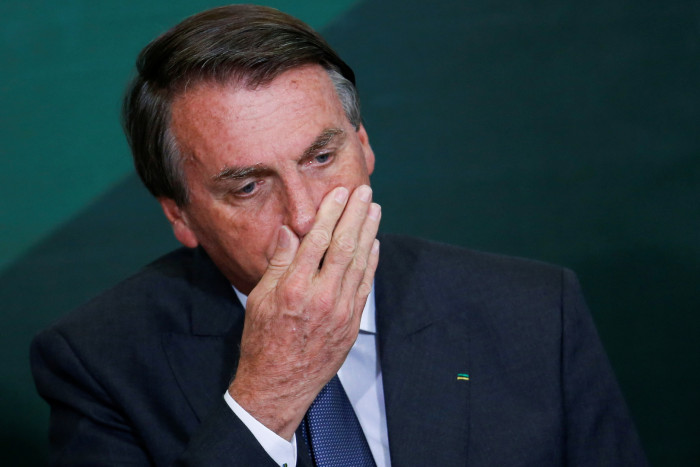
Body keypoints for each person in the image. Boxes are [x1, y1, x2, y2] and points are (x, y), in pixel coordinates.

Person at [31, 4, 647, 466]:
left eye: (322, 158)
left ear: (364, 145)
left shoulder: (534, 311)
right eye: (248, 186)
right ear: (181, 215)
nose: (305, 217)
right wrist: (269, 394)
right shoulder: (101, 362)